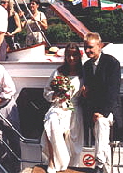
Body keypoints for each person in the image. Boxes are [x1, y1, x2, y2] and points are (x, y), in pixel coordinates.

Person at [83, 32, 123, 173]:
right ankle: (106, 169)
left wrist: (102, 113)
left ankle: (98, 162)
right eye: (85, 48)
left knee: (101, 123)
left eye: (90, 47)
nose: (87, 51)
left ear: (100, 46)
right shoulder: (87, 66)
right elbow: (90, 90)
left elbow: (113, 91)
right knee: (102, 135)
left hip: (110, 109)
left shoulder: (112, 63)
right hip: (94, 111)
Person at [41, 43, 84, 173]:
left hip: (74, 109)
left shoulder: (84, 73)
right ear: (65, 57)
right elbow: (46, 92)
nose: (71, 58)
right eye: (69, 55)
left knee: (72, 142)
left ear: (79, 56)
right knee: (51, 122)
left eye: (74, 55)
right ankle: (52, 162)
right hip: (58, 106)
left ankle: (67, 165)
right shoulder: (58, 72)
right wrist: (54, 94)